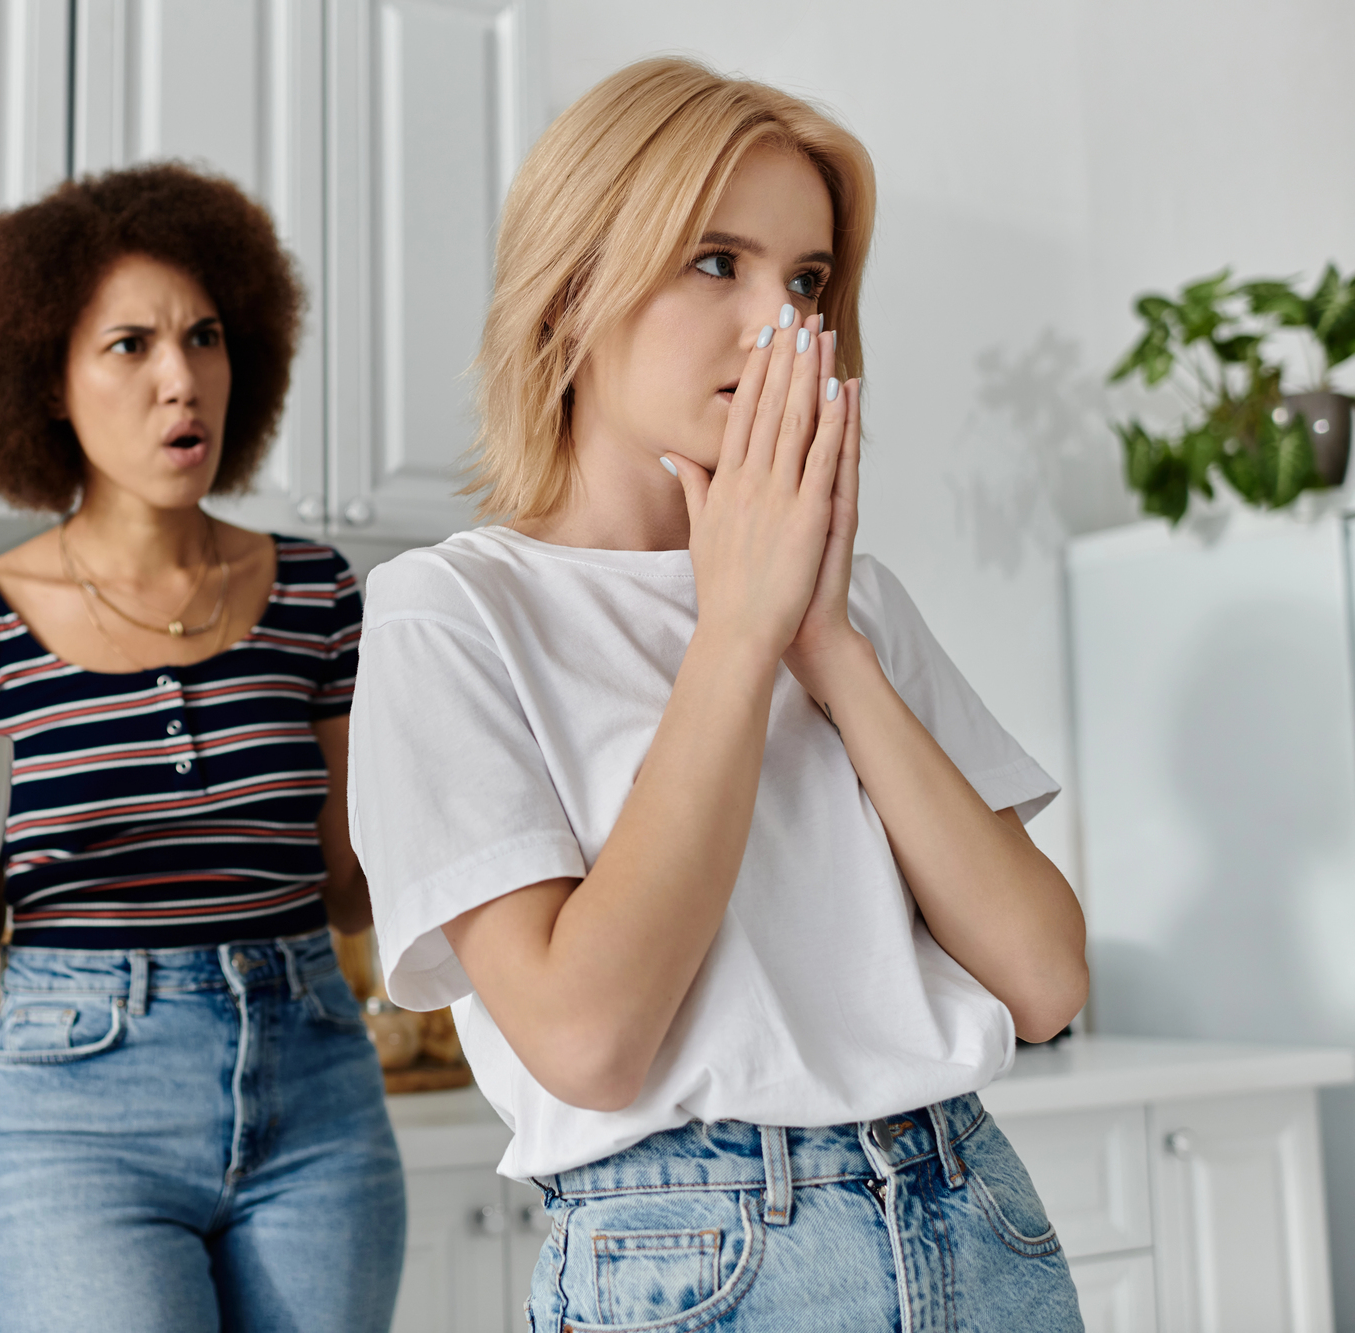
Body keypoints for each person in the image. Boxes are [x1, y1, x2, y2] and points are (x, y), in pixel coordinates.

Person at [349, 58, 1088, 1332]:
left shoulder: (857, 609)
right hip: (692, 1255)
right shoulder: (453, 611)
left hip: (976, 1218)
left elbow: (1041, 979)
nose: (784, 324)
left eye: (808, 281)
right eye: (716, 262)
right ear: (574, 287)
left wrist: (825, 645)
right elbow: (585, 1038)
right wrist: (734, 635)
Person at [0, 163, 405, 1332]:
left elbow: (345, 897)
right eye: (129, 346)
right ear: (47, 379)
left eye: (204, 337)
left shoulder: (316, 596)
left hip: (316, 1084)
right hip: (74, 1107)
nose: (180, 381)